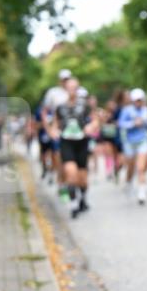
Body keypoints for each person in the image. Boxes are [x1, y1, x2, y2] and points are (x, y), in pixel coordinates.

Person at [50, 80, 98, 218]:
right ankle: (73, 204)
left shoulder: (85, 105)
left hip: (82, 143)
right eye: (69, 88)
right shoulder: (60, 107)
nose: (72, 90)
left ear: (77, 89)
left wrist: (91, 126)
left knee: (82, 179)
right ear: (66, 89)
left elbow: (95, 120)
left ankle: (82, 198)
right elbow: (55, 124)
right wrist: (54, 131)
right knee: (71, 174)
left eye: (74, 88)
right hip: (67, 143)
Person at [118, 88, 147, 205]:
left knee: (140, 167)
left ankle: (141, 192)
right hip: (129, 142)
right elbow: (121, 124)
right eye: (136, 100)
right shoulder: (127, 110)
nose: (138, 102)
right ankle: (128, 182)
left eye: (140, 100)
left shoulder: (146, 110)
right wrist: (133, 123)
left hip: (143, 141)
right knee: (130, 166)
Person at [42, 69, 73, 198]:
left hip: (73, 133)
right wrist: (49, 130)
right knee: (60, 160)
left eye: (68, 79)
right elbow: (44, 111)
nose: (66, 82)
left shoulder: (75, 91)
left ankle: (71, 186)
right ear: (59, 80)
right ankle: (62, 186)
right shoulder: (53, 93)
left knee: (71, 163)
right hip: (59, 132)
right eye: (63, 79)